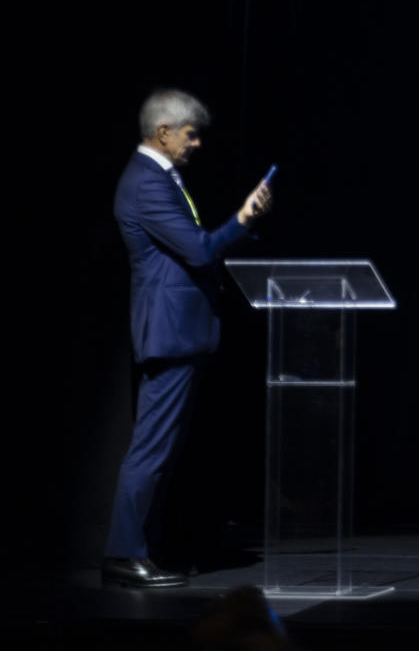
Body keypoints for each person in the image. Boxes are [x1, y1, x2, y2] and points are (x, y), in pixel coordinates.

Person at [104, 89, 272, 588]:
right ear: (163, 132)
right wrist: (243, 220)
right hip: (169, 333)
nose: (196, 143)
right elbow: (198, 252)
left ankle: (143, 549)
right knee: (152, 450)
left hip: (183, 333)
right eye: (190, 134)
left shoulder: (159, 178)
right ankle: (122, 555)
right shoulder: (146, 182)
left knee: (164, 450)